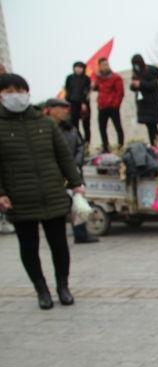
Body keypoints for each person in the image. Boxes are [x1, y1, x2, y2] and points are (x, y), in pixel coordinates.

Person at [0, 74, 85, 309]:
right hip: (20, 198)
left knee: (59, 245)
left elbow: (64, 157)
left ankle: (62, 287)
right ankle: (41, 289)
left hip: (52, 194)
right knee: (29, 247)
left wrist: (76, 183)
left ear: (27, 92)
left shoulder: (45, 123)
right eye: (8, 90)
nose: (15, 95)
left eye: (19, 89)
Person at [43, 97, 99, 244]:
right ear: (51, 110)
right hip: (54, 174)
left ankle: (81, 234)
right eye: (61, 108)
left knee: (78, 202)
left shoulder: (71, 129)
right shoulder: (43, 128)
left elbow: (80, 147)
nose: (65, 111)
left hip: (73, 172)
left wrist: (75, 164)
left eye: (66, 108)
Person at [93, 57, 125, 153]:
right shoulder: (99, 79)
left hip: (112, 106)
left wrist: (116, 104)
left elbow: (120, 92)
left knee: (118, 126)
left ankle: (120, 145)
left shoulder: (115, 77)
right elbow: (96, 89)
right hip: (102, 106)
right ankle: (106, 147)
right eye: (103, 65)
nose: (105, 66)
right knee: (102, 127)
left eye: (107, 64)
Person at [130, 54, 158, 147]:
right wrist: (134, 85)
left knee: (153, 126)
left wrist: (140, 84)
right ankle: (154, 145)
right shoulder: (136, 73)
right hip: (143, 104)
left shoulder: (151, 72)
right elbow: (133, 87)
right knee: (149, 126)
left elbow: (153, 85)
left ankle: (156, 145)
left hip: (152, 103)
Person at [64, 61, 92, 148]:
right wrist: (67, 101)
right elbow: (67, 89)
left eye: (80, 67)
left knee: (86, 124)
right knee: (74, 124)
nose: (78, 69)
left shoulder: (86, 78)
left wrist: (84, 102)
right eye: (76, 67)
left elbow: (87, 91)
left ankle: (87, 142)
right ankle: (81, 141)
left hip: (84, 104)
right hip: (73, 103)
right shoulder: (69, 78)